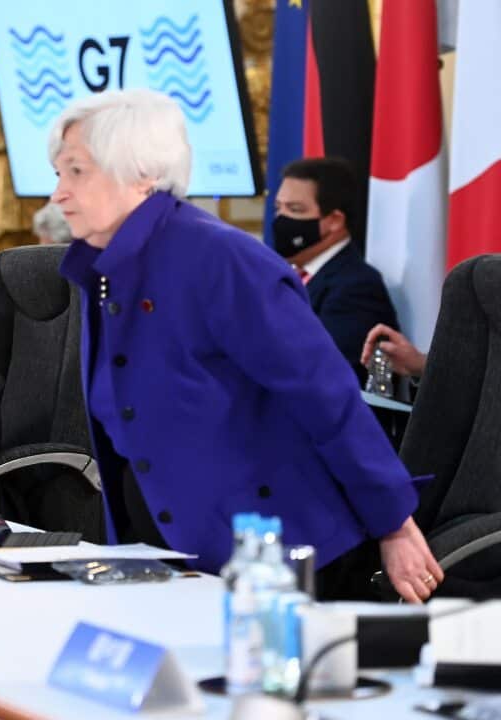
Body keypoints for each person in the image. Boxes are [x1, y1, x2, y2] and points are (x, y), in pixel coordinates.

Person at [50, 89, 439, 604]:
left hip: (275, 559)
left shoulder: (221, 258)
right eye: (59, 173)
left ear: (142, 174)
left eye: (76, 171)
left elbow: (324, 393)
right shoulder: (103, 268)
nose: (59, 194)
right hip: (170, 550)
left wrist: (394, 524)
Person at [272, 157, 399, 380]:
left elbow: (323, 371)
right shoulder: (289, 273)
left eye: (295, 209)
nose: (281, 218)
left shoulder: (356, 286)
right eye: (278, 208)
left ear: (335, 220)